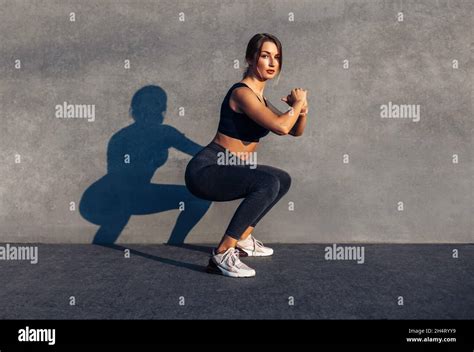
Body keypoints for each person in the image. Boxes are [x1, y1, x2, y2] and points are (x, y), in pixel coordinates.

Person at [185, 33, 308, 278]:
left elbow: (293, 131)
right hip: (208, 169)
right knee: (267, 182)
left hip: (232, 167)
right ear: (251, 59)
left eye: (277, 57)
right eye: (265, 56)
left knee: (281, 179)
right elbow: (281, 126)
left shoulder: (261, 98)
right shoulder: (242, 94)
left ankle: (242, 239)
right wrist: (295, 106)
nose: (272, 62)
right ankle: (221, 253)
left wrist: (302, 111)